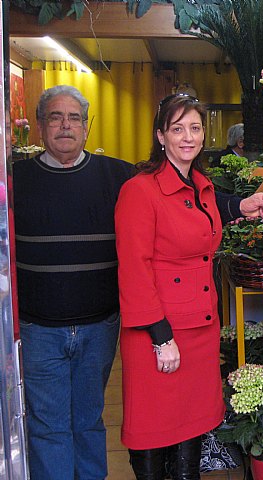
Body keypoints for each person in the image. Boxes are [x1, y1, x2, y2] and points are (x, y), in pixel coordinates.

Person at [115, 94, 263, 479]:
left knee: (191, 422)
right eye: (177, 128)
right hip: (160, 331)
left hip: (199, 327)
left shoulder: (200, 184)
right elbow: (134, 269)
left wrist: (243, 206)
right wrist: (160, 336)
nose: (188, 137)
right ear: (160, 135)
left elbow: (204, 209)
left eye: (195, 128)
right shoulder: (140, 190)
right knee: (152, 426)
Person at [13, 85, 134, 479]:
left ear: (86, 127)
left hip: (99, 326)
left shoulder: (118, 175)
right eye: (55, 117)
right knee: (48, 427)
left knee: (88, 420)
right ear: (40, 126)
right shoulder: (15, 178)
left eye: (74, 118)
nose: (65, 125)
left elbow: (174, 199)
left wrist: (237, 204)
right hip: (38, 330)